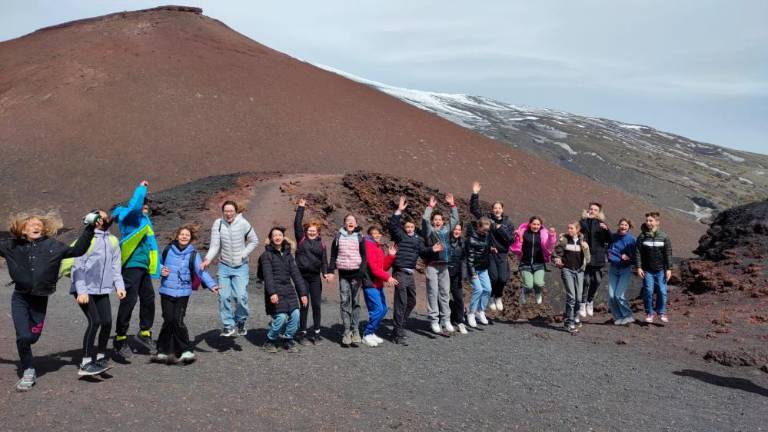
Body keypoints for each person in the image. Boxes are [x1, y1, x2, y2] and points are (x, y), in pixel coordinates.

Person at [1, 209, 100, 391]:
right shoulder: (11, 246)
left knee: (32, 337)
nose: (36, 226)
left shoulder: (53, 246)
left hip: (40, 299)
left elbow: (77, 250)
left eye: (39, 224)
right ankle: (28, 370)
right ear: (22, 229)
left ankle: (28, 348)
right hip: (20, 297)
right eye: (31, 224)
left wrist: (89, 227)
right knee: (23, 336)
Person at [62, 210, 127, 376]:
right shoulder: (85, 240)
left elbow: (115, 266)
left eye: (105, 216)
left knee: (107, 322)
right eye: (100, 216)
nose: (104, 218)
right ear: (93, 220)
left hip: (102, 289)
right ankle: (85, 362)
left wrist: (119, 286)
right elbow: (78, 267)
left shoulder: (113, 241)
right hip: (83, 288)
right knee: (95, 321)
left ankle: (100, 356)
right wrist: (82, 291)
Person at [155, 224, 219, 364]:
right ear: (177, 236)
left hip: (183, 293)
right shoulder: (167, 250)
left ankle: (185, 350)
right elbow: (156, 263)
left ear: (191, 239)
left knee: (178, 321)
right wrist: (160, 269)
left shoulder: (193, 254)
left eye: (187, 235)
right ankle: (162, 350)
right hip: (166, 290)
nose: (184, 237)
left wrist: (212, 285)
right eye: (182, 234)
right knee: (168, 320)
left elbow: (200, 271)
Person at [112, 180, 161, 360]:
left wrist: (158, 268)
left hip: (143, 267)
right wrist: (142, 188)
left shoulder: (145, 222)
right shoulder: (130, 218)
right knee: (129, 301)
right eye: (143, 206)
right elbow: (134, 207)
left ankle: (145, 333)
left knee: (149, 299)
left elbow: (151, 246)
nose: (145, 209)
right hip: (130, 266)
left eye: (147, 207)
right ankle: (120, 338)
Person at [200, 200, 259, 338]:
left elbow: (254, 240)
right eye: (226, 211)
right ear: (223, 212)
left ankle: (241, 321)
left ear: (236, 211)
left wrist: (243, 254)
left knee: (240, 297)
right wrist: (207, 260)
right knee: (224, 296)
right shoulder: (218, 224)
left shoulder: (244, 223)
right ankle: (228, 325)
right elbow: (215, 245)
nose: (228, 213)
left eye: (231, 211)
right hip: (224, 266)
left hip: (241, 266)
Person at [389, 196, 439, 343]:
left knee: (411, 301)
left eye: (411, 227)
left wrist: (432, 249)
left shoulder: (417, 239)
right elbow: (393, 225)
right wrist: (399, 210)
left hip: (410, 274)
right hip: (400, 272)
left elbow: (423, 251)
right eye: (407, 227)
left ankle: (399, 327)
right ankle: (398, 334)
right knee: (401, 302)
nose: (409, 229)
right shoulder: (400, 236)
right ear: (404, 227)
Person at [259, 227, 309, 353]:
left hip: (288, 290)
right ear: (270, 239)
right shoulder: (266, 255)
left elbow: (296, 275)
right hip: (275, 291)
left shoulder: (288, 255)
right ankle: (270, 340)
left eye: (279, 235)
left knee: (296, 314)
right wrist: (272, 293)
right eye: (274, 235)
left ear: (283, 237)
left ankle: (288, 339)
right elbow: (268, 276)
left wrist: (303, 294)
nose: (277, 237)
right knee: (280, 317)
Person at [469, 182, 515, 312]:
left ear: (503, 209)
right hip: (490, 253)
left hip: (502, 254)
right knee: (493, 277)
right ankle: (490, 297)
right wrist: (475, 194)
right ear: (492, 210)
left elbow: (510, 240)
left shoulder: (508, 223)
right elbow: (475, 210)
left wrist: (500, 229)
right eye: (495, 208)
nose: (497, 210)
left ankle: (498, 296)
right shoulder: (488, 219)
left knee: (503, 278)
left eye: (499, 208)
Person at [294, 199, 334, 345]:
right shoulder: (301, 239)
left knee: (316, 305)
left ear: (318, 232)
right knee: (304, 304)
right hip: (302, 277)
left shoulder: (322, 244)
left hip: (315, 278)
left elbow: (324, 261)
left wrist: (326, 273)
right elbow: (296, 224)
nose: (312, 231)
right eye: (310, 229)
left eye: (314, 230)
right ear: (306, 230)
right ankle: (302, 332)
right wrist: (301, 208)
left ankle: (316, 332)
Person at [421, 194, 460, 334]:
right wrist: (430, 207)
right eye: (435, 220)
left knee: (444, 293)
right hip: (432, 266)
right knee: (433, 293)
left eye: (440, 220)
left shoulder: (446, 231)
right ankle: (434, 320)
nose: (437, 221)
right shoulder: (429, 232)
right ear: (433, 221)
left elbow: (455, 219)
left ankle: (446, 320)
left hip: (444, 266)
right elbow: (425, 219)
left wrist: (452, 205)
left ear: (443, 222)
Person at [328, 214, 367, 347]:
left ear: (356, 224)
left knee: (355, 302)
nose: (350, 223)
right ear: (344, 224)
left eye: (353, 221)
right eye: (348, 221)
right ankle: (346, 331)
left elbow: (364, 256)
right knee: (345, 301)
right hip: (343, 274)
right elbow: (333, 255)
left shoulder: (360, 238)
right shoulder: (338, 237)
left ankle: (355, 331)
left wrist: (361, 273)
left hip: (356, 275)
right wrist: (330, 271)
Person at [362, 224, 397, 347]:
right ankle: (367, 334)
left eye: (378, 233)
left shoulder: (378, 247)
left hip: (378, 283)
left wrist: (391, 256)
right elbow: (374, 269)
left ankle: (371, 332)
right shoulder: (369, 246)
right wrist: (388, 277)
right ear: (370, 235)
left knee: (383, 309)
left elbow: (383, 267)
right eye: (374, 233)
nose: (377, 235)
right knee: (377, 309)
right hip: (370, 283)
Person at [553, 222, 590, 333]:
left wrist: (587, 249)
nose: (569, 230)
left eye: (572, 228)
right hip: (567, 270)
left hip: (579, 271)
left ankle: (574, 319)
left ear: (578, 230)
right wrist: (557, 260)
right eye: (568, 228)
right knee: (572, 297)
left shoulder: (582, 242)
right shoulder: (564, 240)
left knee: (578, 298)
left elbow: (588, 260)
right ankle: (569, 323)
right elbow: (555, 253)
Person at [636, 212, 673, 324]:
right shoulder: (642, 237)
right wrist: (638, 267)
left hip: (661, 270)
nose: (648, 222)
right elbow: (638, 253)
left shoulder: (664, 237)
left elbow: (668, 253)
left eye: (651, 220)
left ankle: (661, 312)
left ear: (657, 222)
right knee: (648, 291)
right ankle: (649, 313)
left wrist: (669, 268)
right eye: (647, 220)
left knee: (662, 291)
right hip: (647, 270)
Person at [510, 216, 557, 305]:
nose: (536, 226)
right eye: (534, 224)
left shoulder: (543, 235)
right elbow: (515, 245)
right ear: (530, 224)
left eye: (538, 224)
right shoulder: (523, 233)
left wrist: (552, 235)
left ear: (541, 225)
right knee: (528, 285)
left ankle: (538, 293)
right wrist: (515, 235)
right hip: (525, 263)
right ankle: (524, 292)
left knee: (539, 283)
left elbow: (549, 245)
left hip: (539, 263)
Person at [578, 202, 612, 319]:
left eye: (595, 210)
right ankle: (582, 303)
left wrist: (607, 230)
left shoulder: (602, 224)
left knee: (596, 280)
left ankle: (590, 301)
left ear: (599, 212)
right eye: (591, 209)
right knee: (586, 280)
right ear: (588, 210)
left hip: (598, 257)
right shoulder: (582, 223)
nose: (592, 211)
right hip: (585, 256)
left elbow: (610, 240)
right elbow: (575, 235)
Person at [607, 218, 636, 325]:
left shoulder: (631, 239)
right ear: (618, 225)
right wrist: (619, 255)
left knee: (619, 294)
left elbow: (635, 256)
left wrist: (629, 258)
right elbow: (609, 250)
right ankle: (618, 316)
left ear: (629, 227)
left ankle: (628, 315)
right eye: (622, 224)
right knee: (611, 295)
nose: (623, 227)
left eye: (625, 225)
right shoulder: (613, 237)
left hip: (625, 269)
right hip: (613, 268)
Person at [465, 217, 492, 327]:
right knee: (478, 290)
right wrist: (473, 273)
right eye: (484, 230)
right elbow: (469, 258)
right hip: (474, 269)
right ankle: (471, 313)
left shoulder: (487, 237)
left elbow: (485, 249)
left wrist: (491, 249)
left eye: (487, 230)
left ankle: (480, 311)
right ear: (479, 227)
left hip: (483, 268)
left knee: (488, 289)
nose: (486, 232)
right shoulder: (471, 239)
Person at [448, 223, 468, 334]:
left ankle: (460, 321)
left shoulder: (463, 243)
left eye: (459, 230)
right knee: (444, 298)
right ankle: (446, 319)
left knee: (459, 298)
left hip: (457, 275)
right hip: (445, 274)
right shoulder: (446, 242)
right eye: (455, 229)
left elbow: (464, 259)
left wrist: (464, 274)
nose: (457, 231)